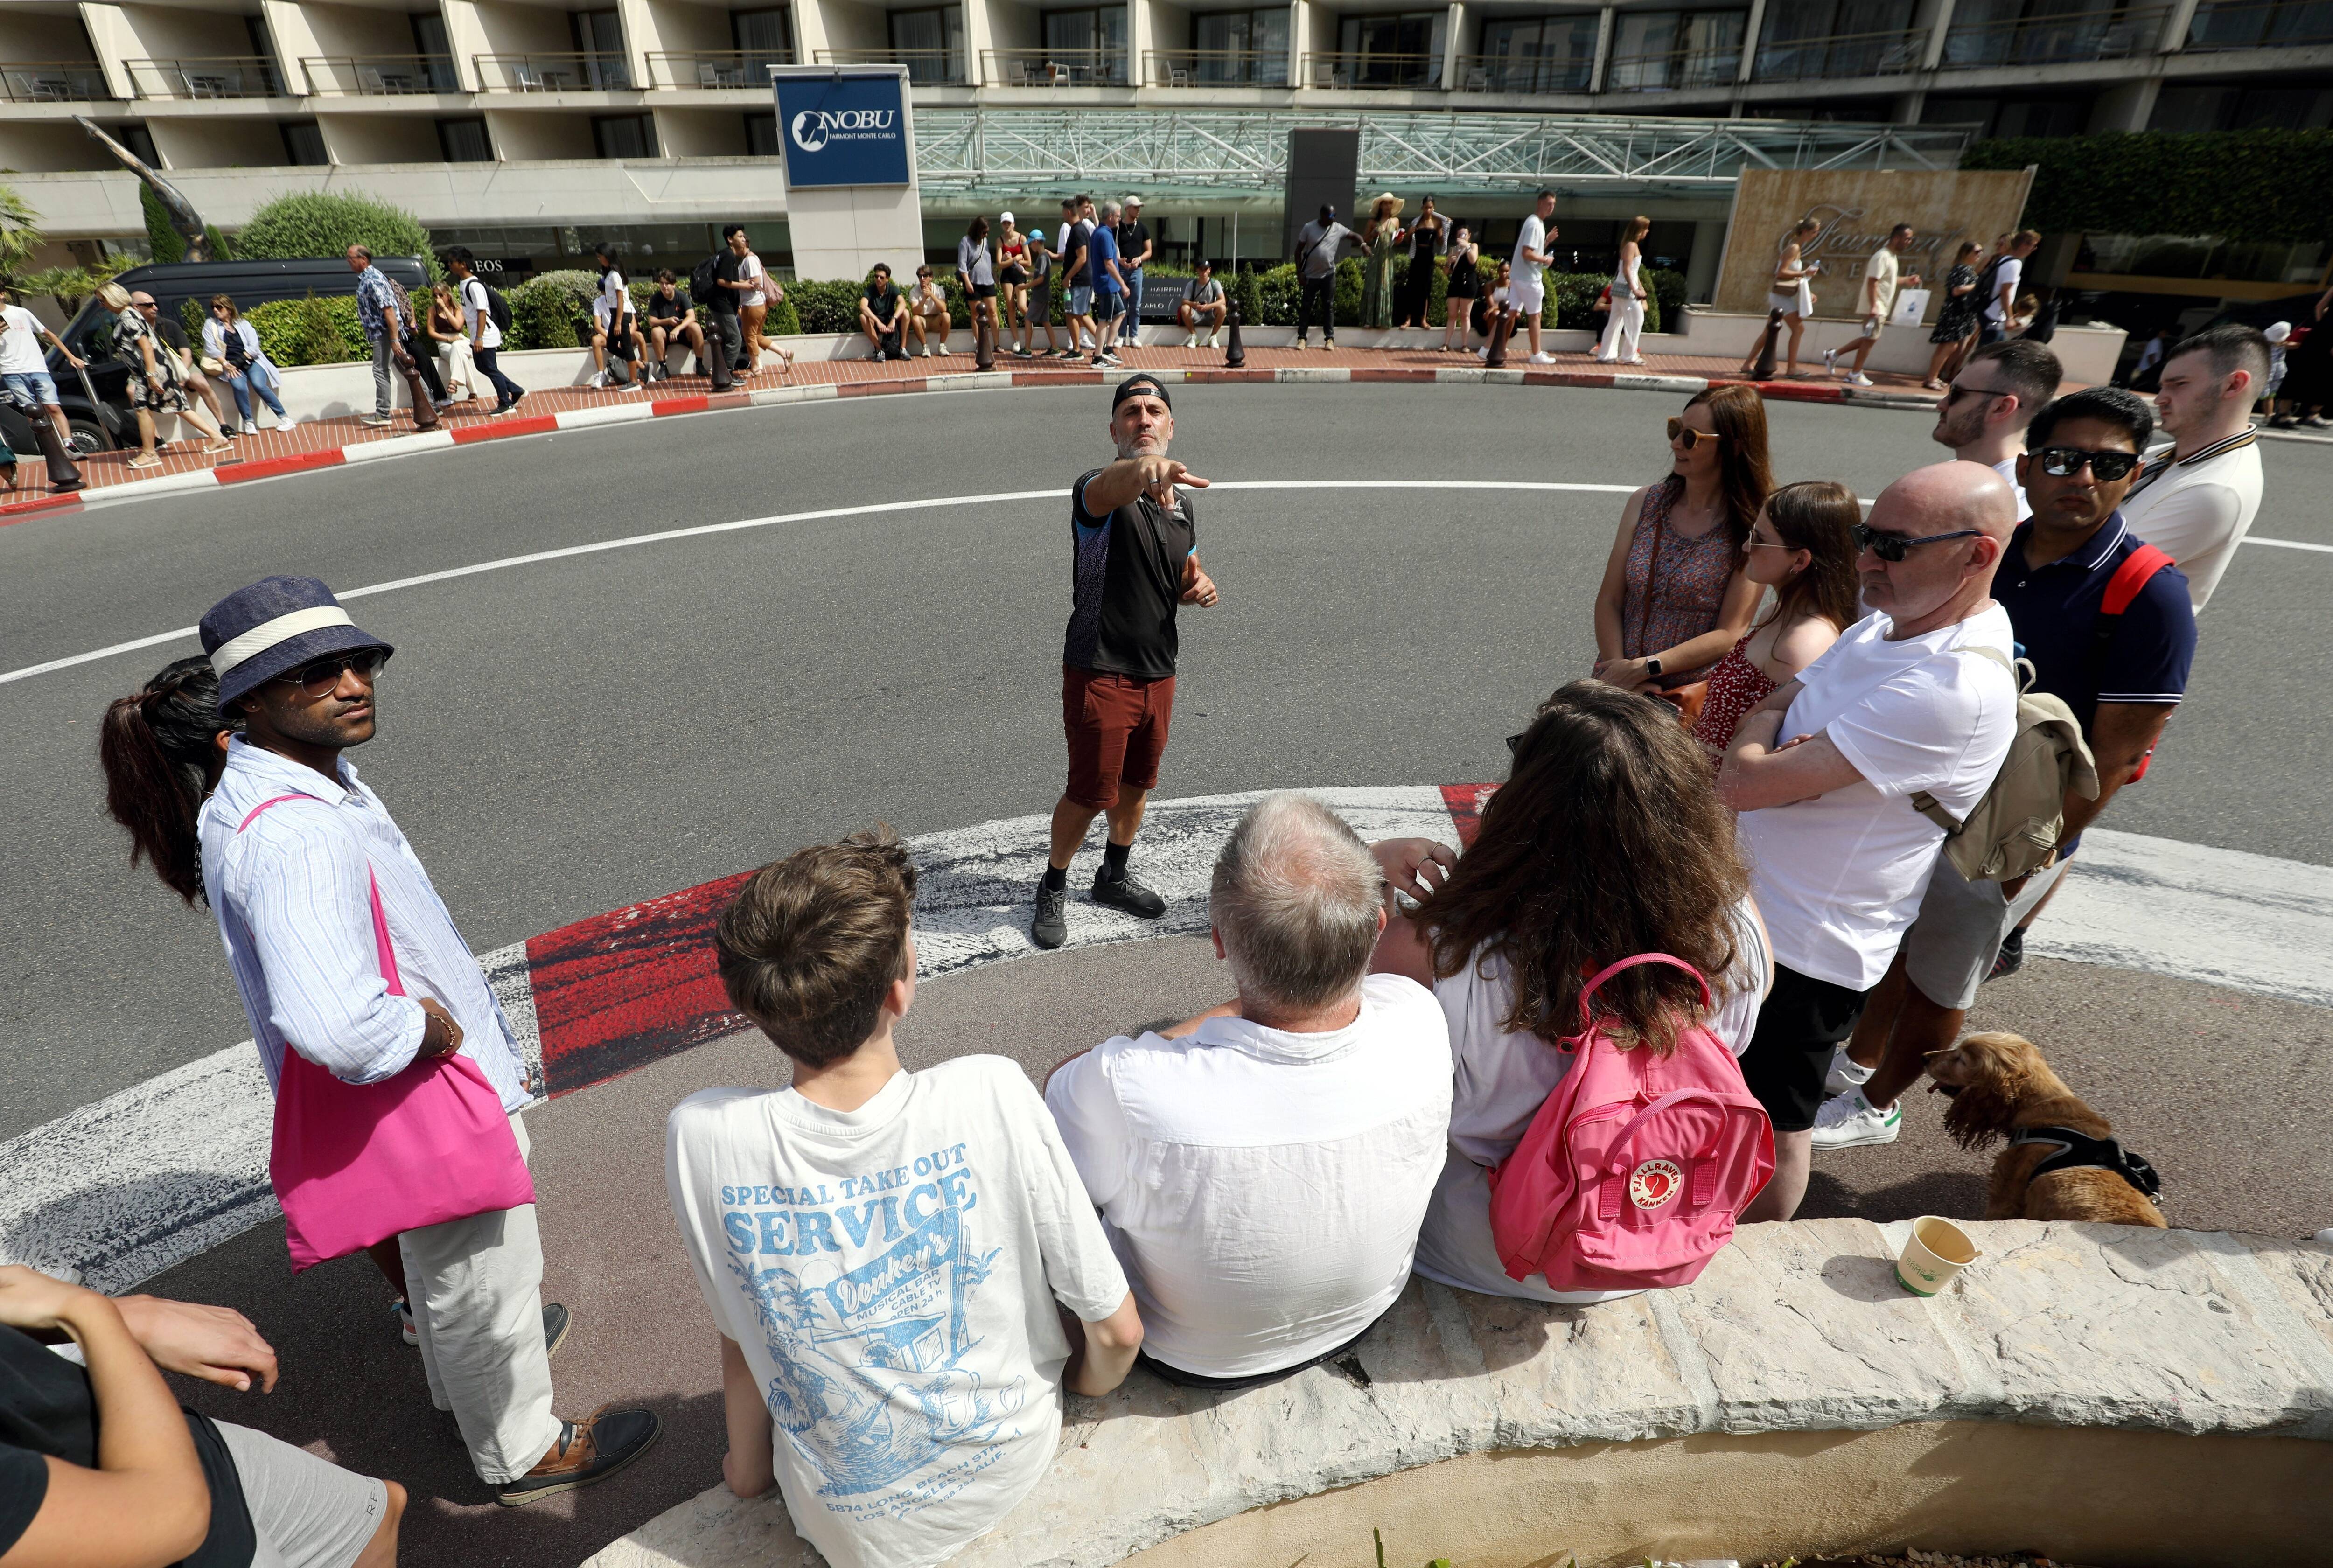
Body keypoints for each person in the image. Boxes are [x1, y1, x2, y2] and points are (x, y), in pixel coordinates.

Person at [191, 575, 660, 1502]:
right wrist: (423, 1026)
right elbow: (336, 1021)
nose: (352, 682)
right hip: (420, 1089)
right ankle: (522, 1448)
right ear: (251, 700)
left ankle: (463, 1392)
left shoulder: (268, 791)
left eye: (357, 661)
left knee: (452, 1275)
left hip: (391, 1106)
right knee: (486, 1278)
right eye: (314, 675)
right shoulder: (298, 834)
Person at [669, 829, 1141, 1568]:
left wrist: (749, 1472)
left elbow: (744, 1328)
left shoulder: (702, 1136)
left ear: (756, 1006)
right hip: (1013, 1466)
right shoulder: (990, 1090)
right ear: (900, 987)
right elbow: (1116, 1333)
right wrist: (1083, 1390)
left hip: (842, 1527)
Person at [1813, 388, 2196, 1152]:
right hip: (1922, 795)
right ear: (2028, 465)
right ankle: (1855, 1064)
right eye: (2061, 459)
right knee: (1893, 938)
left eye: (2109, 463)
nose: (2082, 477)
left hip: (2010, 827)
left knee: (1942, 971)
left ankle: (1879, 1104)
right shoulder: (1995, 548)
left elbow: (2117, 753)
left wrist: (2034, 857)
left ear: (2134, 473)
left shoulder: (2150, 592)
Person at [1368, 682, 1773, 1303]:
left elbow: (1374, 1107)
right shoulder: (1735, 927)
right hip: (1652, 1227)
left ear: (1525, 807)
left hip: (1486, 1247)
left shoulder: (1436, 950)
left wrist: (1364, 867)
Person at [1045, 792, 1451, 1384]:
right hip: (1366, 1314)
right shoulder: (1418, 1018)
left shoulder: (1126, 1085)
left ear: (1218, 940)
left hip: (1193, 1358)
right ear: (1377, 926)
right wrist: (1352, 878)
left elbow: (1061, 1084)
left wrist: (1190, 1030)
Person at [1717, 462, 2021, 1222]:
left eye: (1892, 545)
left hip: (1807, 946)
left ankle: (1752, 1265)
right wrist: (1775, 734)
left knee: (1775, 1125)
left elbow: (1744, 779)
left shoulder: (1950, 686)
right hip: (1761, 913)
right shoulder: (1891, 621)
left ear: (1976, 554)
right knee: (1727, 1099)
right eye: (1865, 537)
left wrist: (1762, 734)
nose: (1865, 561)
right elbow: (1786, 709)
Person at [0, 1264, 407, 1568]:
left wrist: (136, 1314)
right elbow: (167, 1517)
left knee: (371, 1518)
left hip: (130, 1427)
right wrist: (91, 1316)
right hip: (142, 1527)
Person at [1034, 375, 1219, 949]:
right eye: (1131, 412)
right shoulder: (1095, 490)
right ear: (1113, 429)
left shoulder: (1182, 504)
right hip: (1099, 666)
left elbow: (1185, 567)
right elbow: (1121, 483)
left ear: (1170, 425)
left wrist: (1198, 584)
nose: (1143, 419)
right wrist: (1146, 472)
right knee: (1091, 791)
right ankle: (1053, 883)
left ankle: (1113, 874)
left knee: (1139, 783)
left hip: (1158, 669)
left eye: (1154, 411)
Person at [1590, 384, 1772, 701]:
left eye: (1691, 437)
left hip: (1683, 696)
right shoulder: (1646, 502)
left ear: (1734, 447)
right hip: (1617, 680)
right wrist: (1619, 672)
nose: (1676, 443)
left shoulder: (1752, 525)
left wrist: (1646, 668)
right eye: (1675, 429)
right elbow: (1610, 599)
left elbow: (1729, 633)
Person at [1690, 480, 1862, 758]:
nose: (1747, 547)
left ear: (1799, 561)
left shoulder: (1801, 645)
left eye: (1759, 539)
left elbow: (1774, 751)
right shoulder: (1776, 615)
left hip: (1727, 794)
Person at [2120, 323, 2269, 610]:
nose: (2160, 399)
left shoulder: (2215, 489)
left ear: (2234, 385)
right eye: (2162, 386)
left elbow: (2093, 570)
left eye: (2179, 385)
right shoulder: (2167, 454)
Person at [1929, 336, 2062, 521]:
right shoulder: (1951, 477)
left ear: (2001, 408)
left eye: (1955, 394)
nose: (1941, 405)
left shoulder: (2012, 515)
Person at [102, 284, 230, 469]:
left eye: (103, 300)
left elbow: (146, 347)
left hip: (149, 372)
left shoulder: (128, 318)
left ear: (113, 298)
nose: (102, 304)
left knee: (142, 409)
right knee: (177, 406)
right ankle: (217, 438)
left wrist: (151, 375)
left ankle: (149, 453)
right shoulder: (130, 314)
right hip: (153, 370)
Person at [346, 246, 436, 431]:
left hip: (384, 334)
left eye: (351, 258)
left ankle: (383, 413)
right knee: (407, 367)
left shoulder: (373, 280)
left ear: (363, 259)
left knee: (380, 370)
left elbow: (388, 310)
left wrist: (394, 339)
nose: (349, 261)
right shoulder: (370, 278)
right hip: (387, 334)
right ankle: (431, 404)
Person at [1826, 222, 1921, 388]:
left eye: (1911, 240)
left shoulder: (1891, 257)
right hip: (1877, 306)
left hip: (1880, 305)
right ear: (1897, 238)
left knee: (1869, 338)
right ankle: (1855, 374)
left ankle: (1834, 355)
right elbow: (1873, 281)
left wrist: (1906, 280)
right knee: (1871, 339)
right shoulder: (1882, 256)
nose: (1909, 242)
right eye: (1908, 239)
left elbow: (1888, 280)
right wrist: (1874, 306)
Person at [0, 284, 88, 449]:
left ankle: (69, 444)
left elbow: (48, 334)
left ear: (2, 294)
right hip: (11, 371)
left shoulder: (21, 313)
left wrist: (71, 357)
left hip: (36, 367)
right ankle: (49, 446)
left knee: (53, 406)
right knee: (31, 410)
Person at [445, 247, 528, 414]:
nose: (449, 265)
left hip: (486, 335)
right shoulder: (464, 283)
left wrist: (479, 338)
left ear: (463, 265)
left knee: (490, 368)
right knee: (483, 367)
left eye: (452, 262)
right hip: (479, 334)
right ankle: (516, 390)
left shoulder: (474, 286)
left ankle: (506, 404)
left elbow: (482, 311)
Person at [1739, 218, 1821, 379]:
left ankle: (1747, 364)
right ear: (1805, 232)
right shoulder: (1794, 248)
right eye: (1814, 232)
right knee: (1799, 329)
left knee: (1769, 331)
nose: (1816, 235)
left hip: (1781, 296)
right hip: (1781, 297)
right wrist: (1805, 273)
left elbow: (1791, 276)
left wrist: (1807, 289)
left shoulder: (1796, 248)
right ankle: (1792, 369)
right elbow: (1781, 273)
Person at [200, 293, 293, 435]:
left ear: (229, 309)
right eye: (213, 307)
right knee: (239, 387)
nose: (216, 310)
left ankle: (285, 418)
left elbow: (254, 347)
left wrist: (237, 362)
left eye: (219, 307)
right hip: (229, 365)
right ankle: (249, 422)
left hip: (251, 361)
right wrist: (227, 365)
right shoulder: (211, 324)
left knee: (259, 385)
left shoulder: (243, 324)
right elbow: (211, 348)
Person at [1292, 204, 1359, 351]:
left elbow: (1355, 236)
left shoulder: (1337, 228)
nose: (1333, 219)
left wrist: (1364, 244)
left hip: (1328, 275)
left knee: (1329, 306)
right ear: (1322, 215)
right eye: (1331, 216)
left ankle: (1329, 339)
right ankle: (1302, 339)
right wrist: (1299, 273)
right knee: (1306, 307)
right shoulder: (1309, 228)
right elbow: (1298, 252)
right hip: (1310, 275)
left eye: (1335, 216)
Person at [1924, 241, 1985, 390]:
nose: (1979, 255)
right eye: (1976, 252)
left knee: (1949, 346)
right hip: (1955, 314)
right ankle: (1932, 378)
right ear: (1966, 253)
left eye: (1981, 251)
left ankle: (1934, 377)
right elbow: (1957, 290)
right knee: (1948, 346)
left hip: (1959, 314)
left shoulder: (1966, 269)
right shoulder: (1962, 269)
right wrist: (1979, 285)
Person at [1508, 188, 1559, 364]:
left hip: (1519, 277)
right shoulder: (1535, 224)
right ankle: (1536, 354)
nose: (1551, 207)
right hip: (1529, 278)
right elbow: (1527, 253)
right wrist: (1546, 259)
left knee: (1510, 314)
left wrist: (1547, 242)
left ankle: (1489, 348)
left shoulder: (1535, 223)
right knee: (1535, 316)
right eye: (1549, 204)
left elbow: (1532, 250)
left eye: (1554, 204)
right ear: (1540, 203)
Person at [1593, 215, 1651, 366]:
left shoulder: (1629, 245)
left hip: (1620, 291)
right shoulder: (1632, 245)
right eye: (1646, 229)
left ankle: (1606, 355)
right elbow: (1627, 270)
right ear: (1640, 230)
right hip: (1627, 292)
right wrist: (1636, 290)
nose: (1648, 231)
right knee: (1636, 322)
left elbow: (1631, 270)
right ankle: (1629, 357)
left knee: (1615, 323)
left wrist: (1640, 288)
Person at [587, 243, 644, 390]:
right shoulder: (609, 274)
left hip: (622, 314)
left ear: (607, 257)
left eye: (601, 257)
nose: (600, 260)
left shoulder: (616, 275)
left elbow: (620, 299)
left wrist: (618, 322)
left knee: (627, 348)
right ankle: (639, 366)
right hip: (615, 314)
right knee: (612, 345)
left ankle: (634, 381)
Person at [738, 235, 791, 376]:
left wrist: (736, 282)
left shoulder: (750, 260)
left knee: (749, 336)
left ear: (744, 244)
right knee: (758, 336)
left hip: (753, 304)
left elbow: (756, 281)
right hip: (759, 303)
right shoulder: (751, 259)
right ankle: (785, 353)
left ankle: (756, 368)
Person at [642, 268, 706, 382]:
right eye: (662, 283)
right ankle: (663, 368)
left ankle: (700, 364)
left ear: (674, 285)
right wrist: (668, 321)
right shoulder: (656, 299)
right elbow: (652, 321)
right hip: (666, 334)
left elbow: (692, 316)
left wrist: (678, 328)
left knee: (695, 327)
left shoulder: (681, 296)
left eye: (667, 284)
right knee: (656, 331)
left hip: (683, 333)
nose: (664, 286)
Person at [708, 224, 754, 377]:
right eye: (740, 237)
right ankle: (727, 374)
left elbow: (728, 280)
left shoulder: (725, 255)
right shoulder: (728, 256)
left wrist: (743, 282)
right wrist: (744, 286)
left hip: (722, 305)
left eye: (743, 236)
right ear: (730, 239)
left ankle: (722, 373)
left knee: (727, 339)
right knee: (735, 338)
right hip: (722, 306)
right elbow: (722, 281)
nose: (743, 239)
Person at [1087, 200, 1127, 369]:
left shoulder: (1102, 232)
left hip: (1109, 285)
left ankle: (1108, 348)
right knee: (1104, 320)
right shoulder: (1103, 234)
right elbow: (1108, 264)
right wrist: (1123, 284)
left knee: (1121, 313)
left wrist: (1119, 261)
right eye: (1118, 216)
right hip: (1107, 285)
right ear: (1110, 216)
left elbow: (1110, 259)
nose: (1120, 219)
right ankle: (1097, 358)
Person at [1395, 194, 1444, 330]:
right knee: (1412, 288)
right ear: (1422, 208)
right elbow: (1408, 241)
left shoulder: (1438, 222)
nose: (1428, 210)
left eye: (1431, 208)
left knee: (1426, 288)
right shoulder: (1416, 222)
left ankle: (1423, 319)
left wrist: (1445, 229)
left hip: (1429, 256)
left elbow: (1440, 242)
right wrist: (1410, 233)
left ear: (1434, 208)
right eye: (1426, 208)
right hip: (1417, 256)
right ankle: (1408, 319)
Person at [1982, 230, 2040, 346]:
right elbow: (2006, 291)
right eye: (2033, 246)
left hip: (1988, 312)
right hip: (1995, 316)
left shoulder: (2003, 260)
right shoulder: (2015, 264)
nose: (2034, 250)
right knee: (1987, 353)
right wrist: (2010, 318)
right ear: (2024, 246)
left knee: (1990, 351)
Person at [422, 283, 476, 404]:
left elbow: (458, 325)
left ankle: (454, 381)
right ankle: (473, 392)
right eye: (435, 295)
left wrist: (445, 309)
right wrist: (447, 340)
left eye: (441, 295)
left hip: (460, 339)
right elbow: (431, 332)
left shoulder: (458, 308)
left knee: (457, 346)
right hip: (444, 341)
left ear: (448, 295)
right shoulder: (432, 310)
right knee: (461, 357)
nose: (438, 298)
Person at [1061, 195, 1098, 361]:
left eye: (1064, 211)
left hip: (1079, 280)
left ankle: (1077, 349)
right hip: (1082, 279)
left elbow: (1082, 257)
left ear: (1068, 212)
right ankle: (1101, 342)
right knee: (1078, 313)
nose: (1063, 214)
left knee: (1075, 313)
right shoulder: (1080, 229)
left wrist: (1068, 277)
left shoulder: (1077, 231)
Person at [1359, 193, 1403, 332]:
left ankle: (1382, 319)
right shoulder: (1372, 222)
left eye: (1390, 203)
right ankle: (1369, 319)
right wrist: (1372, 235)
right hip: (1375, 256)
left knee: (1386, 285)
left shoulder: (1395, 221)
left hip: (1388, 258)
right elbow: (1364, 239)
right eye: (1385, 203)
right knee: (1372, 284)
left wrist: (1399, 239)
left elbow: (1397, 242)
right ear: (1380, 205)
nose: (1388, 206)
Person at [1115, 195, 1152, 348]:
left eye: (1139, 208)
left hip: (1137, 271)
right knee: (1121, 305)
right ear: (1127, 208)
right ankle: (1121, 335)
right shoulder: (1116, 228)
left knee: (1135, 305)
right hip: (1122, 271)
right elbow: (1112, 249)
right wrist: (1119, 260)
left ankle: (1134, 336)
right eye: (1135, 207)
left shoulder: (1142, 227)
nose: (1138, 210)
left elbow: (1149, 251)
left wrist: (1140, 259)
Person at [958, 216, 998, 353]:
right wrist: (967, 282)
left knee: (992, 311)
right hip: (973, 282)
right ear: (977, 230)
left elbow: (988, 260)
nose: (986, 235)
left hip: (988, 281)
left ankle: (997, 343)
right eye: (984, 232)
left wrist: (994, 276)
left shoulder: (985, 241)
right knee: (976, 314)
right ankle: (980, 344)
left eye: (987, 232)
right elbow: (962, 265)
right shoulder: (965, 242)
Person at [1021, 223, 1060, 357]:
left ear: (1036, 242)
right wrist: (1027, 274)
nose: (1031, 246)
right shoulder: (1044, 257)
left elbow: (1041, 279)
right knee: (1045, 321)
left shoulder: (1043, 257)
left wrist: (1025, 287)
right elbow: (1039, 275)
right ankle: (1055, 348)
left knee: (1028, 319)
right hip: (1044, 294)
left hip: (1040, 295)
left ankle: (1027, 349)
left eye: (1031, 243)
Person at [1440, 223, 1480, 352]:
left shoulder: (1473, 246)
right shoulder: (1453, 250)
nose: (1461, 237)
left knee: (1465, 315)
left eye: (1464, 235)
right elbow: (1446, 272)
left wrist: (1467, 247)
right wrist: (1448, 262)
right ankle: (1446, 344)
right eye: (1459, 235)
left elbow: (1473, 260)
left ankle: (1465, 344)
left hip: (1468, 283)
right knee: (1452, 315)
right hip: (1455, 283)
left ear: (1469, 236)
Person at [857, 263, 908, 362]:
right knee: (863, 317)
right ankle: (880, 351)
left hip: (890, 319)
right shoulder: (870, 290)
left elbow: (903, 303)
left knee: (906, 313)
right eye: (876, 276)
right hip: (877, 320)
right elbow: (863, 306)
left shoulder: (893, 289)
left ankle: (903, 349)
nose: (878, 279)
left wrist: (893, 319)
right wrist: (877, 321)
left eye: (881, 277)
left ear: (887, 279)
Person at [997, 209, 1032, 353]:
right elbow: (1000, 264)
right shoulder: (1000, 240)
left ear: (1014, 224)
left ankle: (1031, 326)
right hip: (1007, 276)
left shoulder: (1022, 239)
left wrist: (1016, 260)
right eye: (1004, 223)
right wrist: (1013, 259)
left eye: (1009, 223)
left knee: (1022, 306)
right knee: (1010, 307)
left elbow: (1029, 262)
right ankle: (1016, 340)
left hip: (1019, 274)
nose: (1007, 226)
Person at [1177, 258, 1227, 347]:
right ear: (1197, 270)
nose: (1203, 272)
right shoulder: (1191, 284)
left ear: (1209, 270)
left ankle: (1213, 337)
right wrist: (1194, 305)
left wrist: (1209, 306)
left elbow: (1223, 300)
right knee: (1185, 308)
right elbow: (1184, 301)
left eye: (1206, 269)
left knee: (1223, 308)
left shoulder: (1215, 284)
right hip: (1196, 315)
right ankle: (1193, 336)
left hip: (1210, 315)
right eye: (1201, 269)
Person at [906, 265, 952, 357]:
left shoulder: (939, 289)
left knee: (947, 316)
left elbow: (944, 309)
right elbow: (915, 312)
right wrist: (924, 298)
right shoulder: (914, 291)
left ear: (931, 277)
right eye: (920, 276)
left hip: (936, 320)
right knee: (915, 319)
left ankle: (942, 346)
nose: (922, 279)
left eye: (925, 276)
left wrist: (932, 295)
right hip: (923, 321)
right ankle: (925, 347)